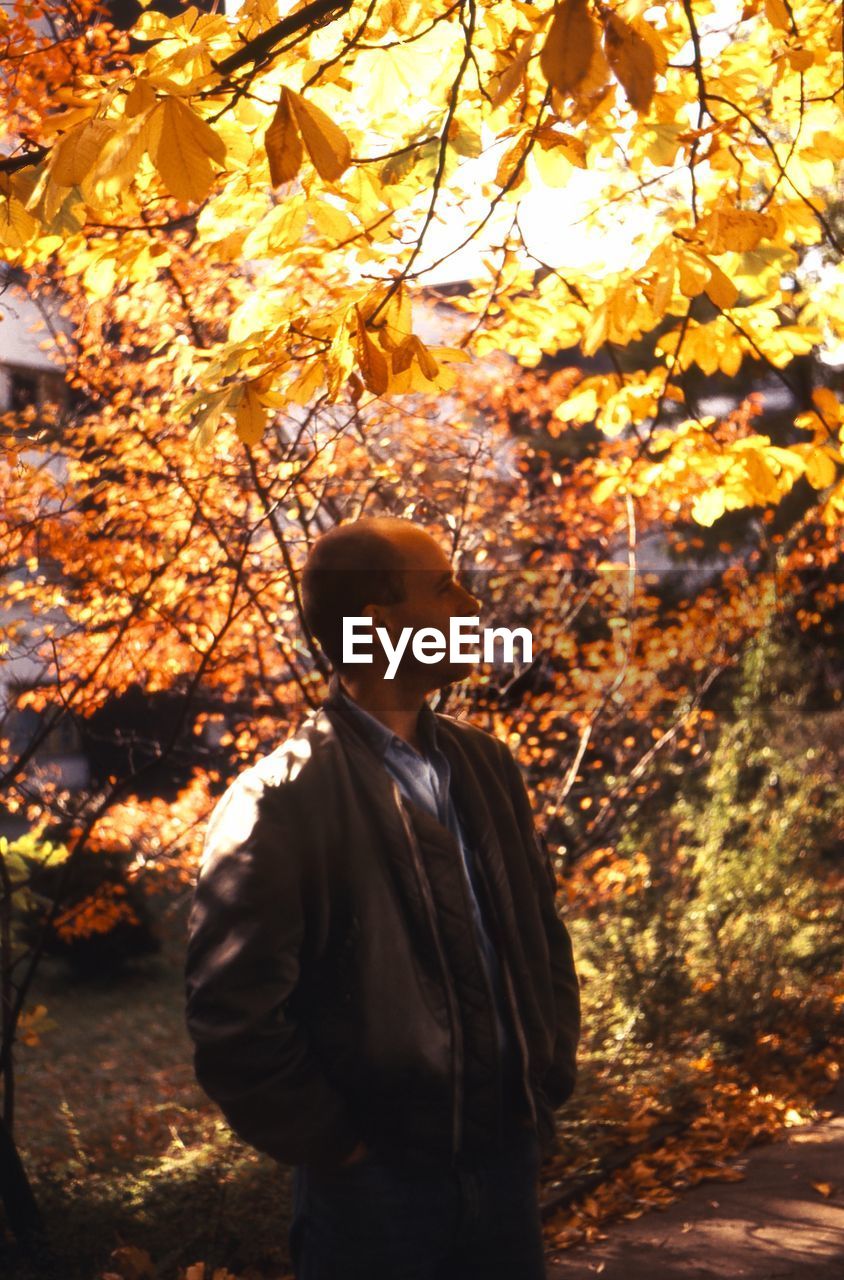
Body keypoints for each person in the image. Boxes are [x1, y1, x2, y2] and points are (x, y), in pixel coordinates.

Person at [184, 516, 581, 1280]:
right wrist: (341, 1146)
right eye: (444, 586)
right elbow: (232, 1018)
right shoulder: (279, 799)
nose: (470, 604)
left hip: (506, 1168)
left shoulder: (486, 765)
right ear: (377, 624)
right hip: (374, 1198)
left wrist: (548, 1071)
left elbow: (541, 935)